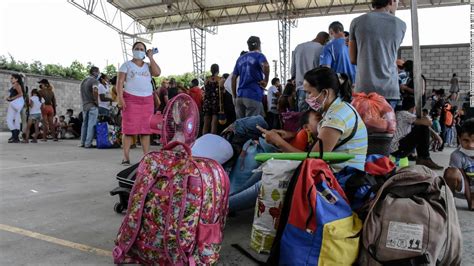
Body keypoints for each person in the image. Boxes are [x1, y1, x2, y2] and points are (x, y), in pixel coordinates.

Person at [263, 67, 367, 172]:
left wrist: (279, 142)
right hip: (343, 173)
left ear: (325, 93)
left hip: (342, 179)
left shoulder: (336, 117)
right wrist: (290, 135)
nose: (306, 98)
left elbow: (313, 159)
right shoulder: (339, 109)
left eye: (309, 93)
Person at [349, 0, 406, 109]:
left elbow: (353, 59)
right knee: (387, 125)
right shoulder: (401, 25)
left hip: (364, 89)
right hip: (389, 89)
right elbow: (389, 54)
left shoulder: (357, 22)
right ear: (392, 1)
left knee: (363, 125)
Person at [117, 41, 161, 165]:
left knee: (146, 130)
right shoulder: (126, 65)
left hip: (147, 101)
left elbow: (157, 73)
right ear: (132, 50)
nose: (139, 50)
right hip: (131, 99)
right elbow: (120, 82)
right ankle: (126, 157)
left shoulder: (148, 66)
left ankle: (146, 156)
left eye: (142, 49)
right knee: (129, 129)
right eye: (137, 48)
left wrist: (151, 57)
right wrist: (120, 98)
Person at [390, 97, 443, 170]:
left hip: (398, 148)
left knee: (421, 127)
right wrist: (422, 115)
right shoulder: (404, 114)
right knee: (422, 127)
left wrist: (435, 134)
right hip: (398, 149)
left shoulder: (400, 113)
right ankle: (424, 158)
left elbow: (425, 125)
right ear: (413, 108)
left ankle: (423, 158)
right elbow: (428, 123)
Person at [232, 36, 270, 119]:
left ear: (248, 46)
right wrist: (266, 80)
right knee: (252, 126)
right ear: (259, 45)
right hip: (253, 95)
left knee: (241, 126)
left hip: (240, 97)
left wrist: (235, 96)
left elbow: (233, 78)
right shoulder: (259, 55)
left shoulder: (240, 59)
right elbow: (266, 65)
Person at [291, 32, 329, 112]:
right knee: (315, 118)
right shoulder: (322, 48)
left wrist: (294, 78)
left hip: (301, 88)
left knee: (302, 118)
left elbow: (293, 69)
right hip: (315, 90)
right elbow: (324, 69)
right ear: (326, 40)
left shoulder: (299, 47)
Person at [443, 118, 474, 211]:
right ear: (459, 139)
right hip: (464, 188)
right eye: (466, 140)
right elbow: (464, 178)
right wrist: (470, 202)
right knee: (451, 173)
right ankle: (449, 202)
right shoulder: (457, 155)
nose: (471, 145)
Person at [79, 67, 100, 148]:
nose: (99, 74)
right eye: (98, 72)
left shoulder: (83, 81)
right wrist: (96, 102)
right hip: (92, 105)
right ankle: (88, 143)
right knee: (91, 124)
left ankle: (82, 142)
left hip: (84, 105)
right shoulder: (94, 81)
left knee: (84, 124)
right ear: (95, 72)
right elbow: (95, 90)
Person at [5, 73, 25, 143]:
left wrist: (11, 98)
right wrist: (10, 98)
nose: (11, 79)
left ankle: (15, 137)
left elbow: (21, 94)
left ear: (16, 79)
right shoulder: (17, 84)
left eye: (12, 78)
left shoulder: (16, 84)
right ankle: (16, 138)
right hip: (18, 103)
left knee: (9, 119)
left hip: (15, 102)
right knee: (16, 120)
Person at [202, 64, 221, 135]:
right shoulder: (220, 79)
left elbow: (206, 91)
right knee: (214, 123)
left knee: (206, 122)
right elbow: (222, 91)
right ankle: (212, 141)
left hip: (207, 102)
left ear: (211, 70)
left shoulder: (206, 79)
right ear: (218, 70)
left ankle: (204, 139)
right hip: (216, 102)